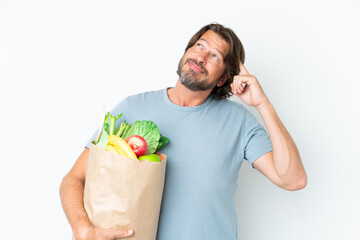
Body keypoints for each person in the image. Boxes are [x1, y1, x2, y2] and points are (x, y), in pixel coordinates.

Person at [60, 23, 307, 240]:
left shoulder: (239, 121)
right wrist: (82, 228)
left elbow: (292, 179)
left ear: (223, 79)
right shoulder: (133, 108)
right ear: (187, 51)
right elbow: (74, 179)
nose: (201, 57)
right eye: (199, 46)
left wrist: (263, 104)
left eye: (215, 56)